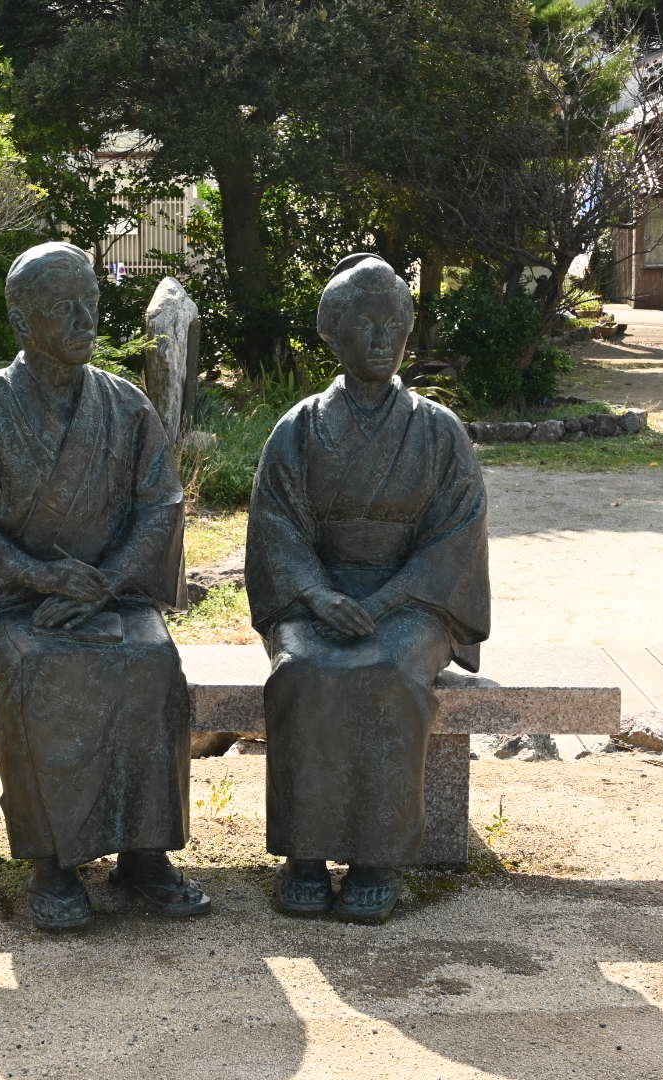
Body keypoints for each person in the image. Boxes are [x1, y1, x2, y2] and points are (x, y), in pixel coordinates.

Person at [0, 241, 210, 931]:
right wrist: (38, 574)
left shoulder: (125, 405)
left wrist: (106, 582)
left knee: (152, 661)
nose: (85, 320)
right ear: (23, 323)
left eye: (92, 304)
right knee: (35, 668)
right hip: (15, 601)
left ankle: (145, 855)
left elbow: (159, 506)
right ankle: (51, 863)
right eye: (62, 308)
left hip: (113, 592)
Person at [245, 253, 490, 924]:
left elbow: (454, 537)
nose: (382, 340)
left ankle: (377, 859)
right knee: (302, 671)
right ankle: (304, 855)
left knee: (387, 670)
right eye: (365, 324)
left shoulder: (438, 431)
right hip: (315, 596)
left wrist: (386, 602)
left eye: (395, 325)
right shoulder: (299, 428)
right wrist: (319, 597)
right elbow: (277, 530)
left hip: (412, 602)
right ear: (333, 331)